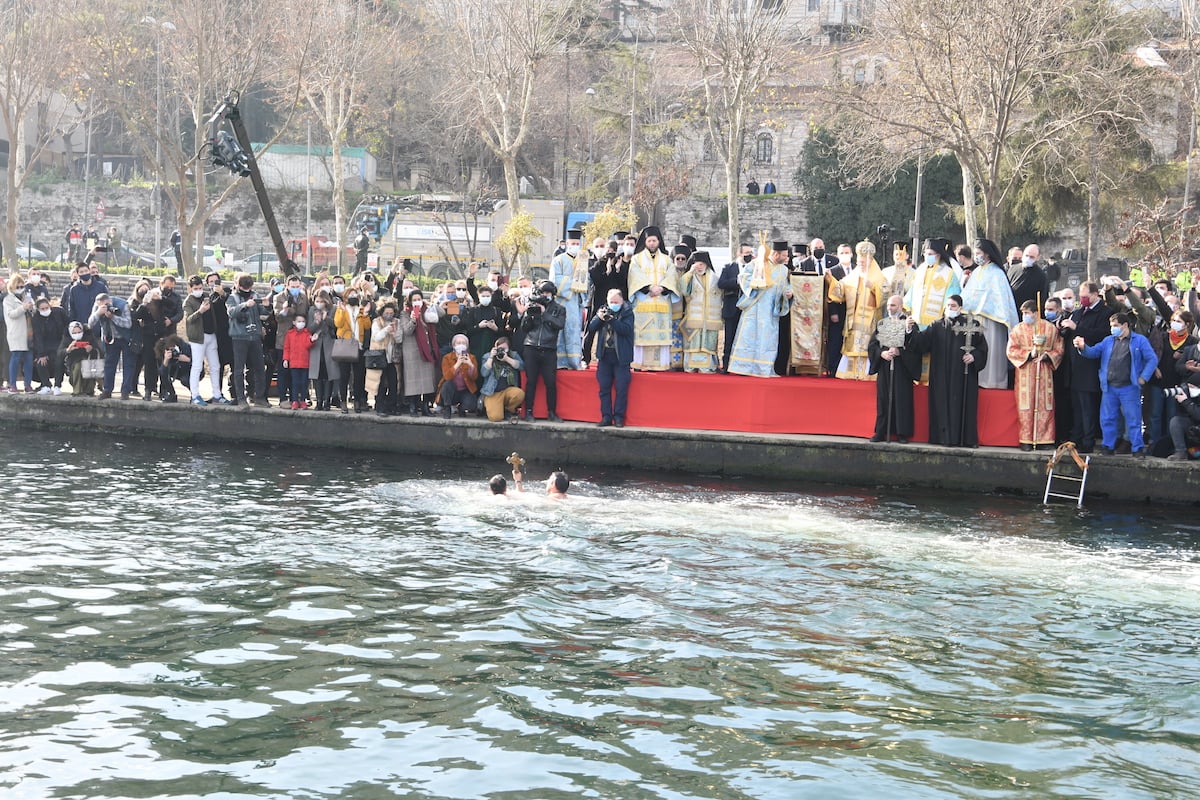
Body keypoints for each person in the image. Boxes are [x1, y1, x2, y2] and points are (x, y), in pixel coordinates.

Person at [1074, 311, 1157, 457]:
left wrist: (1143, 377)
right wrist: (1082, 347)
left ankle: (1137, 448)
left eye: (1116, 325)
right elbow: (1093, 353)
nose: (1113, 328)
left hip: (1129, 387)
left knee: (1133, 419)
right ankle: (1108, 446)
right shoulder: (1108, 340)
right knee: (1107, 418)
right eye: (1111, 325)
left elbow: (1152, 359)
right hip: (1109, 387)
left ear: (1125, 325)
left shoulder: (1140, 340)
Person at [911, 294, 988, 447]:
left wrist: (974, 357)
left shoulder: (971, 325)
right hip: (941, 375)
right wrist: (910, 330)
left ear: (960, 308)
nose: (949, 309)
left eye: (953, 306)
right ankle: (942, 437)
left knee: (964, 405)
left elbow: (982, 348)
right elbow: (920, 343)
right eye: (948, 306)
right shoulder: (937, 326)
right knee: (941, 404)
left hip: (963, 375)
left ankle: (966, 439)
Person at [960, 238, 1019, 390]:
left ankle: (993, 383)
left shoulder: (997, 273)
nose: (976, 256)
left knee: (992, 353)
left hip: (992, 321)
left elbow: (1001, 301)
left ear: (987, 254)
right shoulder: (977, 271)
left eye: (978, 253)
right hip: (975, 320)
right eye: (975, 253)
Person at [728, 241, 792, 377]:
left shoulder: (784, 269)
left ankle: (764, 368)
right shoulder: (757, 263)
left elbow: (786, 286)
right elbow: (743, 277)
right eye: (785, 255)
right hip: (754, 308)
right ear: (776, 254)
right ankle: (744, 367)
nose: (787, 258)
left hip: (770, 311)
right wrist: (756, 284)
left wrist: (789, 293)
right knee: (749, 337)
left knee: (768, 340)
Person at [1058, 281, 1109, 452]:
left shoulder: (1104, 312)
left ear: (1095, 295)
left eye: (1085, 296)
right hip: (1074, 367)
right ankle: (1075, 438)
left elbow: (1101, 335)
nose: (1082, 299)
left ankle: (1088, 441)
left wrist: (1077, 328)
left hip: (1089, 367)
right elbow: (1068, 332)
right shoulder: (1079, 312)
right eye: (1081, 296)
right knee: (1076, 407)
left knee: (1087, 407)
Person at [1007, 299, 1064, 451]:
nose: (1025, 316)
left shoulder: (1050, 329)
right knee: (1026, 407)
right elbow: (1011, 350)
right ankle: (1025, 439)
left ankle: (1045, 440)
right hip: (1025, 372)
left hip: (1044, 371)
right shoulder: (1017, 329)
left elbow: (1059, 349)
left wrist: (1047, 355)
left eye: (1027, 313)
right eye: (1023, 313)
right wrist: (1028, 354)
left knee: (1045, 405)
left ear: (1036, 313)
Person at [828, 239, 886, 380]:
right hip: (853, 319)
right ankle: (850, 372)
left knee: (867, 346)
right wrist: (831, 280)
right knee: (852, 345)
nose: (861, 264)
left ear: (870, 261)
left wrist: (873, 287)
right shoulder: (854, 275)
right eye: (859, 262)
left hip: (869, 320)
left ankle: (866, 373)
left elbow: (885, 295)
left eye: (863, 262)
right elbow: (841, 290)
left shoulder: (878, 277)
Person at [867, 295, 920, 443]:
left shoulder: (909, 324)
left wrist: (900, 351)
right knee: (884, 400)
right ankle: (881, 432)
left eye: (893, 306)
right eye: (889, 306)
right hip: (885, 367)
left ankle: (902, 433)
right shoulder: (882, 323)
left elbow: (916, 345)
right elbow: (872, 346)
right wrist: (881, 353)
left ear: (901, 306)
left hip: (902, 369)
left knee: (902, 400)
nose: (890, 309)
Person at [628, 226, 677, 371]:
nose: (652, 243)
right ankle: (639, 363)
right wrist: (649, 287)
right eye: (649, 241)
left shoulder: (667, 259)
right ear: (645, 241)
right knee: (641, 335)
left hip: (662, 302)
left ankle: (662, 364)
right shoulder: (636, 259)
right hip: (644, 302)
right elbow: (635, 276)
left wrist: (662, 288)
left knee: (661, 337)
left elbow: (672, 276)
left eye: (654, 240)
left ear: (658, 241)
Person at [519, 280, 565, 421]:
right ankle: (528, 411)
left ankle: (552, 412)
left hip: (549, 348)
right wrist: (529, 315)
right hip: (531, 347)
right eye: (543, 292)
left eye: (548, 293)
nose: (546, 295)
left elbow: (559, 324)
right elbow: (524, 328)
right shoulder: (533, 306)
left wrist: (545, 314)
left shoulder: (559, 309)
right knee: (531, 381)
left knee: (550, 382)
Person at [587, 288, 634, 427]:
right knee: (604, 389)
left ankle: (619, 418)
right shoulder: (603, 310)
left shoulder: (627, 312)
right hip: (605, 356)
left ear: (621, 300)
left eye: (616, 302)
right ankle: (606, 417)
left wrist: (612, 320)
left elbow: (626, 330)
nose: (613, 304)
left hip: (621, 357)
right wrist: (600, 318)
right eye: (611, 301)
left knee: (621, 389)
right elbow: (591, 327)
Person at [183, 276, 232, 406]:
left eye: (200, 288)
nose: (198, 290)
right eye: (195, 288)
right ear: (190, 288)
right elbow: (189, 319)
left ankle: (217, 395)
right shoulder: (188, 301)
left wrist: (221, 294)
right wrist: (200, 311)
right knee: (197, 366)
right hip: (198, 338)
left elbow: (221, 303)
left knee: (215, 366)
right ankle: (195, 395)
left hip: (211, 335)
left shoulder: (207, 296)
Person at [226, 273, 271, 408]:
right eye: (244, 288)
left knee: (259, 367)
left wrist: (267, 306)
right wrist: (245, 305)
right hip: (239, 337)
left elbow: (264, 314)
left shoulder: (255, 295)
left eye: (249, 288)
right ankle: (241, 398)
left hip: (255, 336)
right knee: (239, 369)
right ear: (238, 285)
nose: (247, 290)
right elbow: (232, 312)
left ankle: (259, 397)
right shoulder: (232, 298)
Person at [551, 227, 588, 369]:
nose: (574, 246)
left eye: (576, 243)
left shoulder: (583, 260)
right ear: (566, 243)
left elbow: (587, 280)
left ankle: (574, 361)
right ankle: (560, 362)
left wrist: (582, 286)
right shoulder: (558, 260)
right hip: (562, 301)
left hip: (576, 302)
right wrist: (574, 283)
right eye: (572, 243)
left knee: (574, 330)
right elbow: (555, 279)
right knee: (560, 331)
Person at [679, 252, 723, 373]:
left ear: (707, 265)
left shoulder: (715, 279)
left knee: (708, 344)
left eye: (701, 264)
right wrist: (690, 272)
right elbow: (682, 289)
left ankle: (707, 366)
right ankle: (691, 366)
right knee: (693, 343)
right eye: (697, 264)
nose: (699, 267)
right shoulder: (690, 277)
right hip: (694, 317)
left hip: (710, 319)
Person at [398, 289, 439, 416]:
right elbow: (407, 331)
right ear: (410, 301)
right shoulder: (405, 313)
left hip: (427, 350)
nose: (417, 302)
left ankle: (426, 407)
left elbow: (441, 314)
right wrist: (414, 319)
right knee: (413, 381)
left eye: (419, 299)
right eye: (414, 300)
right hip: (412, 352)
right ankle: (413, 407)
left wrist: (431, 304)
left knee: (428, 381)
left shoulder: (427, 310)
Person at [90, 292, 137, 400]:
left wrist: (113, 317)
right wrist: (97, 313)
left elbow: (128, 324)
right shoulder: (98, 306)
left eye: (107, 304)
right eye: (102, 305)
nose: (105, 307)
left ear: (110, 301)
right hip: (110, 339)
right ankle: (107, 390)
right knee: (109, 365)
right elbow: (90, 323)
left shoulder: (122, 304)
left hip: (126, 338)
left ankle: (125, 391)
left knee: (128, 365)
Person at [717, 244, 752, 373]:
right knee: (729, 339)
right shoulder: (729, 267)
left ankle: (742, 366)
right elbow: (721, 283)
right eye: (746, 252)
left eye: (751, 252)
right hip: (731, 308)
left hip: (747, 310)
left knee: (744, 340)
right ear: (739, 254)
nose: (749, 255)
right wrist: (737, 281)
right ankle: (726, 366)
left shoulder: (753, 269)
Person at [369, 300, 403, 416]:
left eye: (391, 313)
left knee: (394, 383)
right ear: (382, 312)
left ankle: (392, 406)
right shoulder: (376, 322)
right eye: (386, 313)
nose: (389, 315)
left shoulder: (397, 322)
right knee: (380, 383)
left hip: (392, 358)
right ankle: (380, 407)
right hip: (379, 357)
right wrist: (386, 330)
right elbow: (376, 337)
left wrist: (394, 333)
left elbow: (399, 339)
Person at [480, 336, 525, 422]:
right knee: (496, 417)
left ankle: (507, 409)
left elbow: (522, 367)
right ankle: (492, 407)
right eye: (499, 348)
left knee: (519, 394)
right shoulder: (487, 356)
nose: (501, 351)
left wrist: (507, 359)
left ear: (508, 349)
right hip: (492, 392)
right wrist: (491, 357)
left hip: (508, 390)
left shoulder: (513, 355)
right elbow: (484, 373)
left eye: (504, 349)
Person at [437, 333, 480, 418]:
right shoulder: (447, 357)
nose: (461, 345)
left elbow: (474, 377)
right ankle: (447, 408)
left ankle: (462, 408)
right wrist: (457, 364)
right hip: (451, 390)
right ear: (454, 345)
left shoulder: (471, 357)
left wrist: (470, 365)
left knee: (471, 403)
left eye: (463, 343)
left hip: (464, 390)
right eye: (458, 343)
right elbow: (447, 376)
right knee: (447, 385)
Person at [31, 296, 68, 394]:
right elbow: (37, 337)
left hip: (59, 344)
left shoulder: (59, 313)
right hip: (45, 346)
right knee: (40, 361)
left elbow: (66, 326)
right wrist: (41, 353)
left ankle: (57, 386)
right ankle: (46, 385)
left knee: (58, 361)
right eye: (42, 309)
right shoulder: (36, 319)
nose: (45, 310)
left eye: (46, 308)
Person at [4, 275, 34, 393]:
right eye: (18, 286)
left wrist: (31, 307)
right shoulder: (8, 299)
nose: (20, 288)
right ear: (12, 286)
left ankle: (28, 384)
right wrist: (23, 308)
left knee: (28, 358)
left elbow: (33, 311)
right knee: (15, 357)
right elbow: (11, 314)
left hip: (28, 332)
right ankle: (12, 385)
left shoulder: (26, 297)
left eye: (22, 286)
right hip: (16, 333)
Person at [281, 313, 316, 410]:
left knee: (304, 383)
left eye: (303, 321)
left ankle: (303, 400)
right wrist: (285, 359)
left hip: (305, 362)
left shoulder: (307, 333)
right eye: (299, 321)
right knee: (295, 383)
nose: (301, 323)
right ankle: (295, 400)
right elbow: (286, 347)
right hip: (294, 363)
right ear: (294, 322)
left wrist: (312, 341)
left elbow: (307, 346)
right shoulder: (290, 334)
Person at [60, 320, 100, 397]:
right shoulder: (67, 338)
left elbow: (99, 351)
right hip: (74, 362)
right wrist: (68, 350)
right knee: (78, 366)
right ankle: (77, 391)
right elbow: (60, 353)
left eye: (79, 332)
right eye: (74, 333)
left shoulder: (89, 336)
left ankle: (89, 390)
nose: (77, 334)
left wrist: (91, 349)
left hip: (89, 360)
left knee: (87, 365)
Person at [1009, 244, 1049, 315]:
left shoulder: (1041, 276)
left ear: (1038, 258)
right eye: (1026, 255)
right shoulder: (1013, 269)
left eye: (1032, 257)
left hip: (1027, 314)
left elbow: (1042, 300)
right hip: (1010, 310)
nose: (1028, 259)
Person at [152, 334, 191, 402]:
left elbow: (199, 363)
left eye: (173, 349)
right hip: (177, 371)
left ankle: (195, 395)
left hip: (189, 370)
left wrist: (188, 360)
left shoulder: (185, 347)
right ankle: (172, 394)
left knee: (185, 380)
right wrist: (166, 361)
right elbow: (162, 372)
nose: (173, 352)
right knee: (164, 374)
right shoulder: (161, 352)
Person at [1165, 385, 1200, 460]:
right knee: (1176, 421)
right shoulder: (1191, 397)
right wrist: (1181, 399)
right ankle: (1181, 452)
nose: (1190, 389)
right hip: (1195, 430)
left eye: (1192, 387)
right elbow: (1182, 414)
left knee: (1195, 454)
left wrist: (1186, 402)